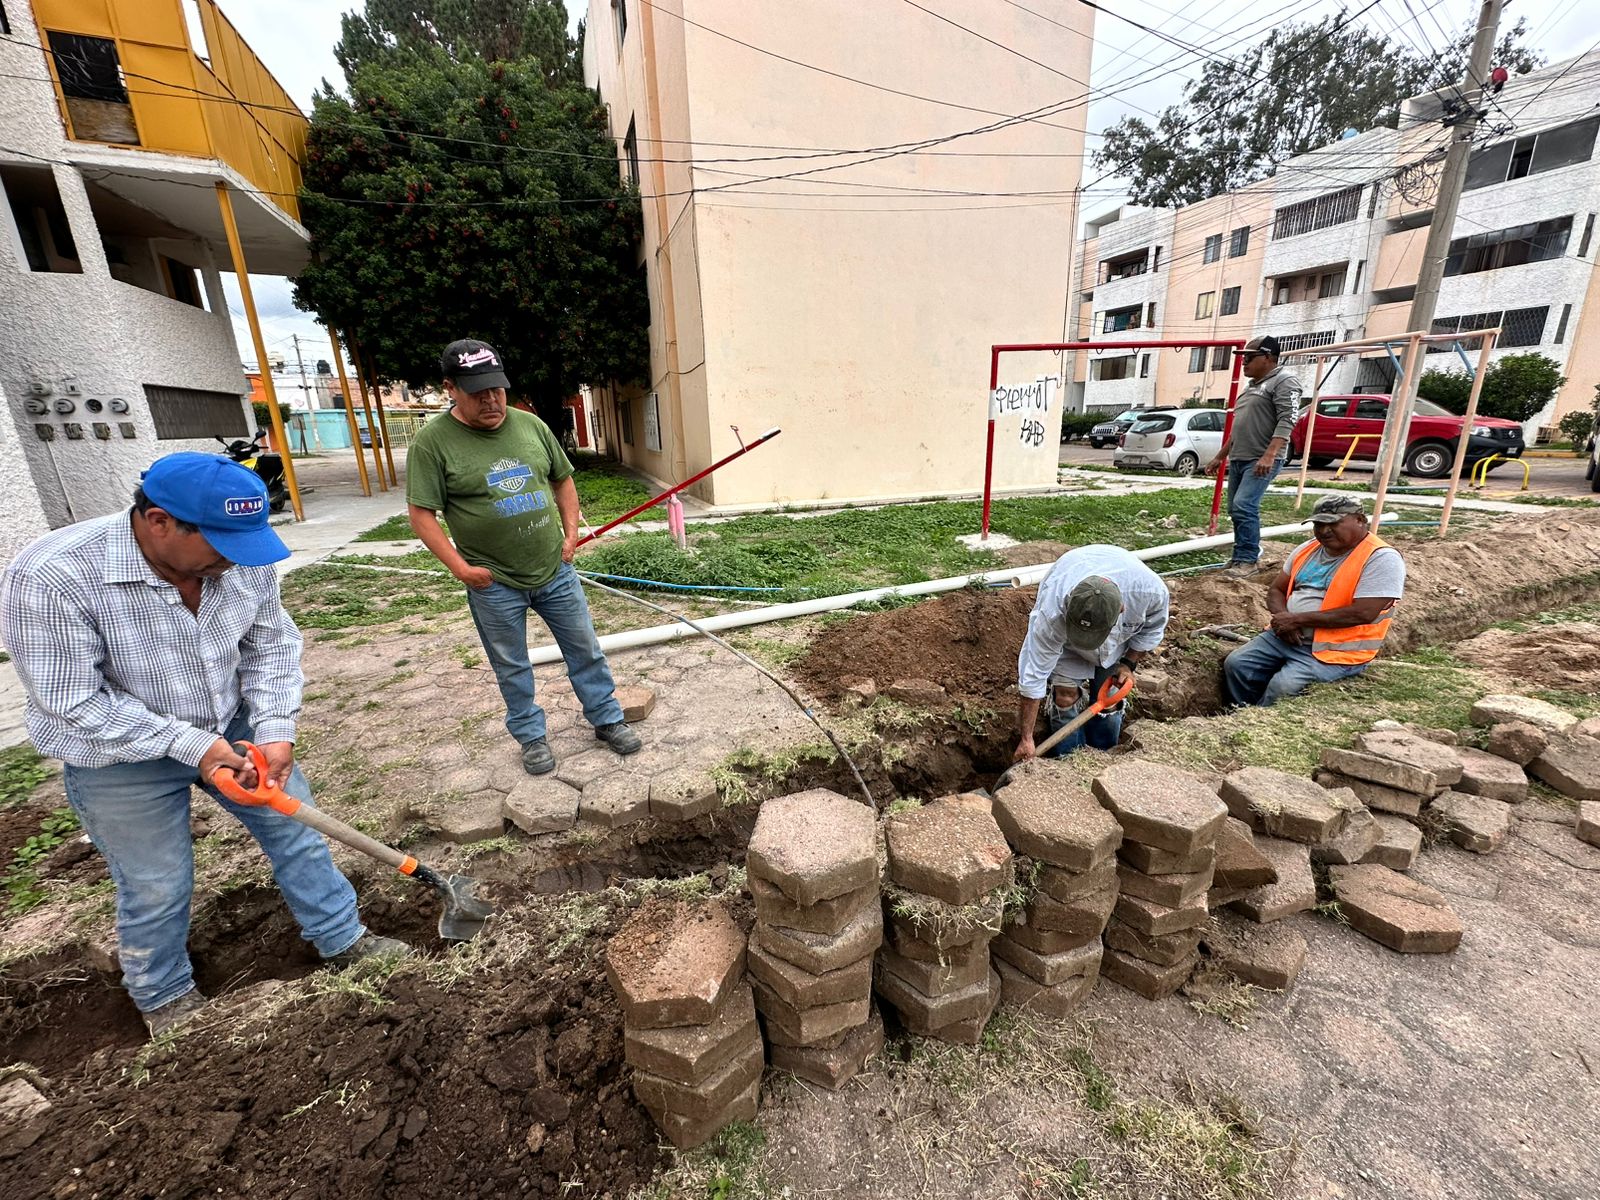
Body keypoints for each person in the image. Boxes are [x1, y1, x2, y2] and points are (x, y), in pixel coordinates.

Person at [0, 453, 408, 1038]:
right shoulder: (52, 575)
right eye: (218, 542)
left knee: (298, 835)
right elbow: (75, 701)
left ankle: (342, 937)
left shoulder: (239, 558)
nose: (233, 558)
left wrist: (272, 729)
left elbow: (268, 645)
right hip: (117, 754)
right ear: (159, 521)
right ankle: (164, 994)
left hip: (231, 725)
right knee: (157, 881)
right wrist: (196, 747)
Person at [407, 339, 641, 775]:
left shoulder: (531, 426)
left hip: (554, 569)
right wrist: (460, 568)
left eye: (496, 388)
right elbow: (421, 513)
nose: (491, 399)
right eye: (477, 391)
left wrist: (570, 534)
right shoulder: (432, 443)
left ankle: (607, 719)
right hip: (493, 583)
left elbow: (563, 480)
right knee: (511, 665)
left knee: (584, 649)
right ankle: (531, 737)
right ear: (450, 388)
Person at [1222, 495, 1405, 707]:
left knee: (1283, 686)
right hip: (1286, 636)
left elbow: (1363, 612)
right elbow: (1276, 590)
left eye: (1333, 523)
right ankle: (1242, 712)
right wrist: (1284, 619)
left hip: (1338, 650)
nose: (1324, 530)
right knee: (1238, 665)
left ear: (1360, 520)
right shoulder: (1306, 550)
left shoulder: (1381, 558)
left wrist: (1297, 620)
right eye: (1318, 524)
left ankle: (1259, 720)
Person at [1013, 546, 1170, 761]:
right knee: (1064, 695)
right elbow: (1034, 675)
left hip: (1116, 644)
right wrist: (1027, 739)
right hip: (1068, 643)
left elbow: (1152, 629)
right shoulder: (1051, 613)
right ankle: (1067, 762)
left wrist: (1128, 664)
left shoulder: (1150, 593)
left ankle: (1105, 758)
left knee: (1109, 699)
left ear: (1122, 610)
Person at [1205, 334, 1303, 572]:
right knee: (1235, 508)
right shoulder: (1252, 387)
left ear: (1268, 357)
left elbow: (1287, 420)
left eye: (1249, 357)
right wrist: (1221, 456)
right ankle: (1240, 557)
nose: (1244, 362)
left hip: (1261, 459)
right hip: (1241, 457)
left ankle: (1248, 560)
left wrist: (1269, 455)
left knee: (1244, 505)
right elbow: (1239, 428)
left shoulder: (1284, 382)